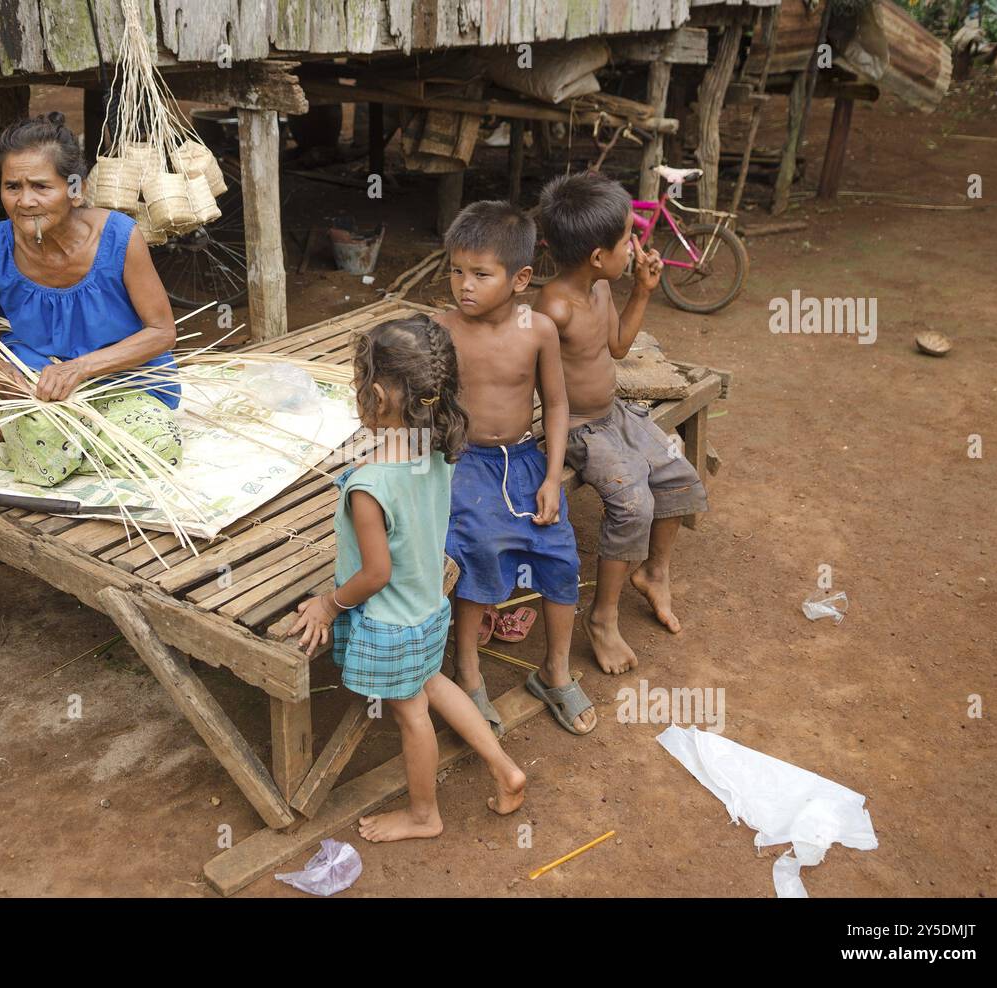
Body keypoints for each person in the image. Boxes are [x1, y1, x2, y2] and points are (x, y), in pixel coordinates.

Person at [290, 315, 526, 842]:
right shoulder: (436, 448)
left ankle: (425, 815)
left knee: (412, 712)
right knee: (431, 682)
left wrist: (329, 605)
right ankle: (504, 767)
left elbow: (375, 574)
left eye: (356, 386)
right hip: (426, 607)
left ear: (377, 395)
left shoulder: (370, 484)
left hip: (391, 620)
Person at [0, 111, 183, 485]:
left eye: (41, 187)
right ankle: (23, 432)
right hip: (39, 388)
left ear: (75, 190)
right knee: (44, 439)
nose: (25, 201)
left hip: (124, 381)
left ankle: (3, 433)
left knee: (159, 446)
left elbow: (161, 332)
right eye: (13, 187)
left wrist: (79, 368)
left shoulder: (120, 239)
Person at [534, 171, 708, 675]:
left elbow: (617, 347)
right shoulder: (553, 307)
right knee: (634, 503)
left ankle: (654, 572)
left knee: (678, 473)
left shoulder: (603, 288)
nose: (635, 247)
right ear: (596, 256)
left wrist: (643, 291)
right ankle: (603, 618)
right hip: (580, 430)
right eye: (626, 240)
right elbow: (537, 383)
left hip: (616, 414)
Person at [435, 201, 596, 737]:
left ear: (521, 278)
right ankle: (470, 676)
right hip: (465, 462)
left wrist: (552, 477)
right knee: (477, 549)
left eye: (481, 274)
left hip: (527, 459)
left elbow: (555, 404)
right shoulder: (441, 330)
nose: (465, 285)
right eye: (456, 270)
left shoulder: (539, 331)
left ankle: (554, 672)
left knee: (558, 553)